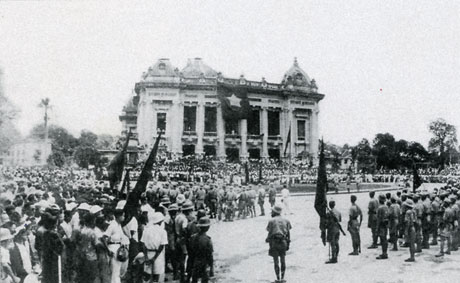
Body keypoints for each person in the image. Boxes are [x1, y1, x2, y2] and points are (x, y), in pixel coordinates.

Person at [104, 201, 130, 283]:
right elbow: (105, 237)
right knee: (114, 271)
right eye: (123, 216)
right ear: (118, 216)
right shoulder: (113, 225)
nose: (124, 217)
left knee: (117, 270)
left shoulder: (119, 225)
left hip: (119, 249)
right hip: (113, 248)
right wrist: (107, 250)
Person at [266, 204, 291, 282]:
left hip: (274, 242)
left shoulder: (271, 221)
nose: (271, 213)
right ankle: (283, 277)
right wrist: (288, 244)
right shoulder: (286, 220)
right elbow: (288, 233)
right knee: (283, 260)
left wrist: (267, 240)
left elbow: (269, 232)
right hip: (283, 241)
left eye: (272, 211)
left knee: (276, 261)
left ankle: (277, 278)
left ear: (274, 212)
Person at [140, 212, 168, 283]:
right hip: (158, 255)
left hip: (148, 253)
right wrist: (154, 258)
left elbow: (143, 244)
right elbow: (162, 246)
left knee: (147, 276)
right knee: (156, 276)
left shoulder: (146, 230)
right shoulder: (163, 231)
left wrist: (146, 257)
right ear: (160, 221)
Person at [189, 216, 214, 283]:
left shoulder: (192, 238)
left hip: (195, 262)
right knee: (205, 279)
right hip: (204, 263)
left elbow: (190, 253)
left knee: (194, 279)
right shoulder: (208, 240)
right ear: (208, 228)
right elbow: (210, 255)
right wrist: (211, 268)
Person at [376, 194, 389, 259]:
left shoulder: (380, 208)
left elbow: (378, 219)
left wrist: (377, 228)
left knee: (382, 239)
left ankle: (384, 253)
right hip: (386, 224)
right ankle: (385, 252)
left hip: (381, 224)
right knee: (385, 239)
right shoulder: (386, 207)